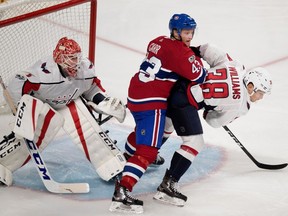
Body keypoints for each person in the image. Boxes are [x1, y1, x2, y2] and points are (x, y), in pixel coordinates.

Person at [109, 13, 207, 214]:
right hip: (151, 101)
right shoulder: (180, 52)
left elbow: (170, 60)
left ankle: (122, 160)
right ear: (175, 31)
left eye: (192, 32)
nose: (190, 36)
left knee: (146, 134)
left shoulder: (157, 41)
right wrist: (196, 58)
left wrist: (189, 54)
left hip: (136, 92)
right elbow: (198, 75)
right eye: (186, 32)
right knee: (148, 151)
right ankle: (122, 193)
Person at [153, 43, 273, 206]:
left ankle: (148, 154)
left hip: (179, 82)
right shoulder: (240, 106)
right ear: (250, 86)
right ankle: (168, 184)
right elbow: (213, 121)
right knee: (195, 142)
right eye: (260, 93)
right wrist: (209, 109)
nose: (260, 97)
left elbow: (207, 50)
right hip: (184, 102)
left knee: (170, 122)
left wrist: (192, 54)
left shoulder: (236, 66)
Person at [0, 37, 127, 186]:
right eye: (71, 58)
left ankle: (112, 166)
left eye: (77, 57)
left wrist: (102, 100)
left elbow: (92, 87)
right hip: (42, 104)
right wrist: (21, 111)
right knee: (30, 135)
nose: (76, 62)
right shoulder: (44, 73)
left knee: (88, 128)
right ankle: (4, 165)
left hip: (68, 102)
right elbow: (17, 84)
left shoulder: (85, 68)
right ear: (60, 58)